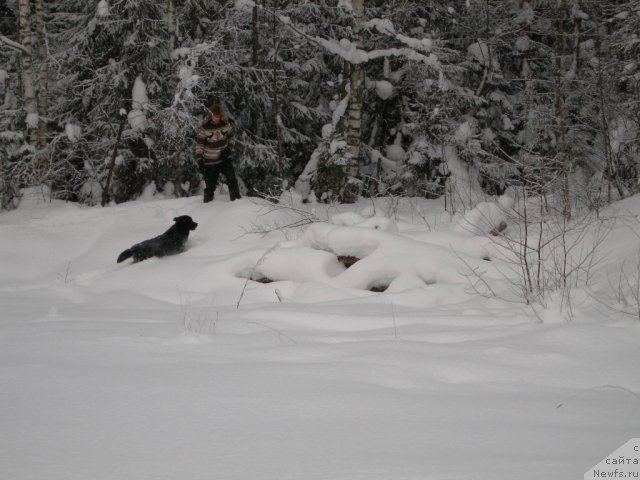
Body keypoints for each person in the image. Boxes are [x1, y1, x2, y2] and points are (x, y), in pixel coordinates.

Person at [195, 103, 241, 202]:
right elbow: (199, 145)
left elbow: (232, 138)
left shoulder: (226, 125)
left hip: (224, 158)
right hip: (210, 161)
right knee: (210, 186)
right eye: (215, 116)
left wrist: (228, 150)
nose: (217, 118)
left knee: (231, 179)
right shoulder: (204, 128)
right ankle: (207, 204)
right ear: (211, 115)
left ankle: (237, 202)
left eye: (218, 116)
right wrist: (199, 160)